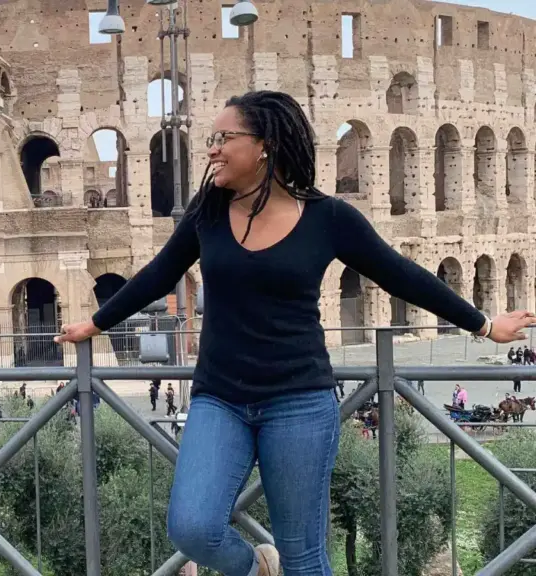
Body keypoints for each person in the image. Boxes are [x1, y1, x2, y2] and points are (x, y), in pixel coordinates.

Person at [54, 90, 536, 576]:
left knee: (305, 557)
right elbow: (158, 274)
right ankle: (256, 568)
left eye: (224, 138)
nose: (211, 149)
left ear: (264, 145)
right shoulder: (208, 211)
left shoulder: (328, 218)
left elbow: (400, 273)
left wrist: (484, 323)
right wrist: (96, 324)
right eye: (211, 138)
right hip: (219, 397)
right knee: (192, 526)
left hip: (299, 400)